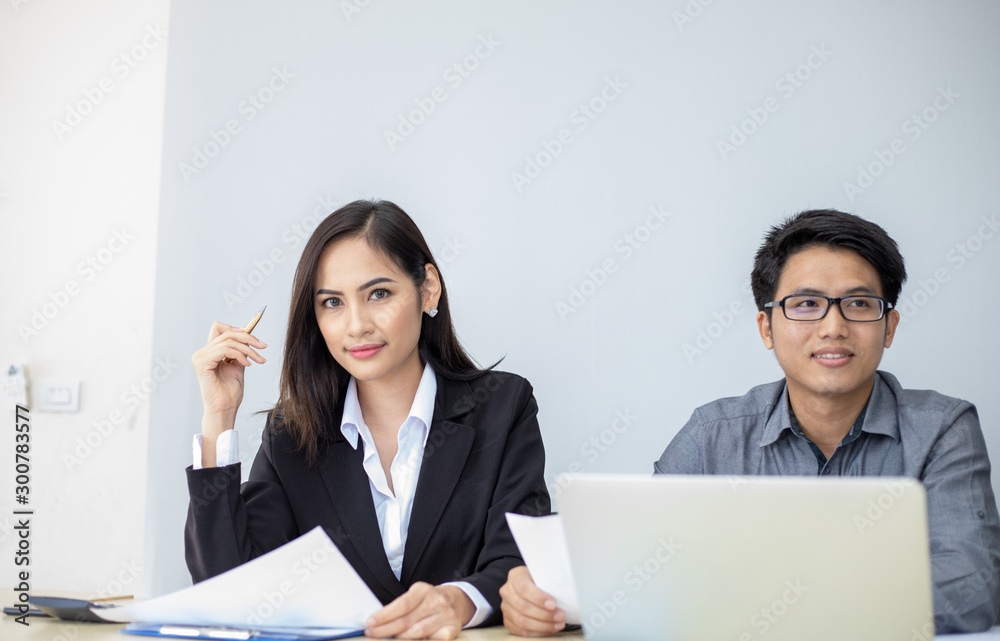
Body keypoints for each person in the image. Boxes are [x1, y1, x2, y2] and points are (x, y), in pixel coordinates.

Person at [501, 208, 1000, 635]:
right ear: (767, 327)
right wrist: (543, 594)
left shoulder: (942, 429)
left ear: (888, 326)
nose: (833, 327)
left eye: (858, 304)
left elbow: (973, 585)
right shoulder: (712, 435)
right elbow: (640, 570)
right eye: (806, 304)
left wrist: (789, 603)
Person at [185, 199, 550, 639]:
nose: (356, 325)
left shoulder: (502, 407)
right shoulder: (292, 435)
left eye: (378, 294)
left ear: (428, 289)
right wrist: (218, 416)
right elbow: (230, 588)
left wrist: (459, 600)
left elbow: (517, 560)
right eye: (332, 302)